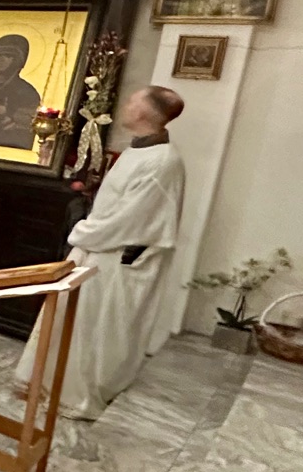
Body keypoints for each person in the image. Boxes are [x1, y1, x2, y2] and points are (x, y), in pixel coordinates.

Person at [19, 86, 188, 420]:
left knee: (94, 331)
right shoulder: (139, 150)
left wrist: (82, 232)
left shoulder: (163, 161)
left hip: (115, 258)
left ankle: (78, 397)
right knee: (72, 324)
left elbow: (132, 220)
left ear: (145, 113)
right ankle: (50, 384)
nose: (127, 105)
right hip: (98, 249)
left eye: (132, 101)